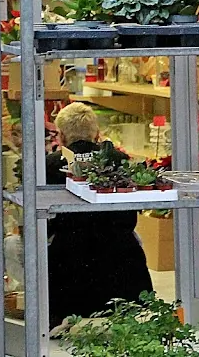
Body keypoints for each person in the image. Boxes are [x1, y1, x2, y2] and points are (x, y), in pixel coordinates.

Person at [45, 102, 154, 328]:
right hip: (120, 261)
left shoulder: (50, 165)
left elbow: (47, 223)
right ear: (96, 134)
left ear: (62, 136)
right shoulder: (119, 160)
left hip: (66, 263)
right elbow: (129, 216)